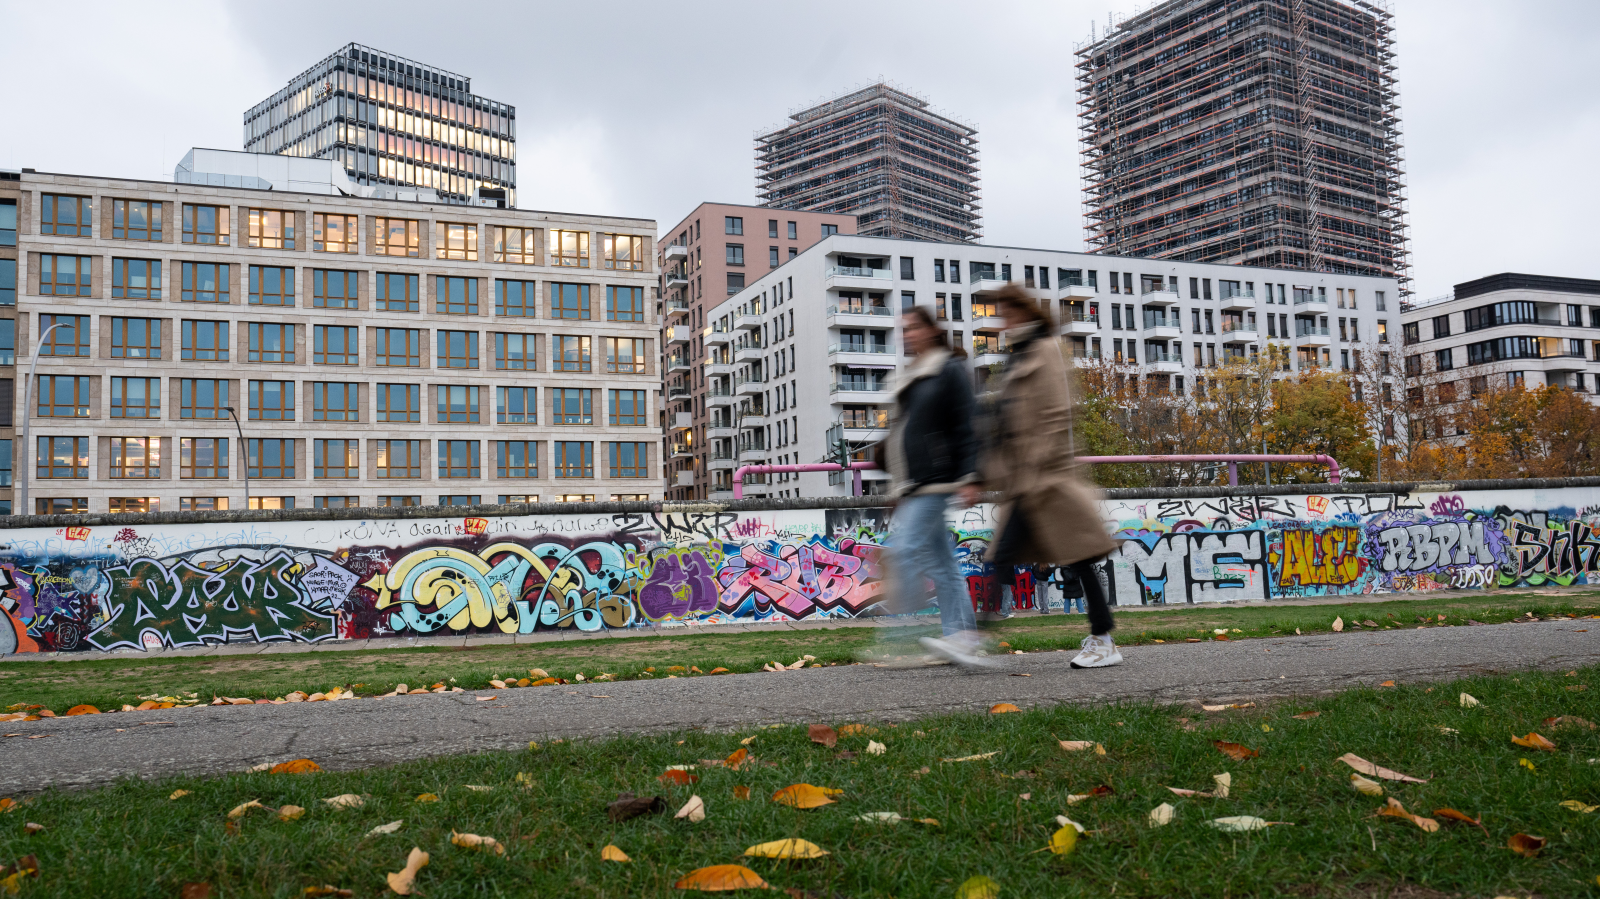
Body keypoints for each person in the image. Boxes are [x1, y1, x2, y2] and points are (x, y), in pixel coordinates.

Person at [979, 284, 1124, 668]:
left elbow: (1058, 415)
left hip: (1046, 479)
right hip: (1025, 482)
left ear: (1025, 313)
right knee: (1012, 557)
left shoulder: (1045, 350)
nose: (1003, 321)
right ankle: (1101, 636)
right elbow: (1006, 427)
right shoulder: (1017, 357)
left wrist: (1036, 465)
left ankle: (1102, 639)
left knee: (1072, 557)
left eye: (1008, 313)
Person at [881, 305, 989, 668]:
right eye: (903, 330)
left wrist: (971, 477)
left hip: (937, 481)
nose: (906, 335)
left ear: (930, 330)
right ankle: (960, 639)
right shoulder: (914, 377)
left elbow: (967, 426)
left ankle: (903, 636)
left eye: (912, 328)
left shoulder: (948, 370)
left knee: (902, 550)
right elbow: (902, 435)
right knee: (944, 567)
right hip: (914, 484)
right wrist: (897, 488)